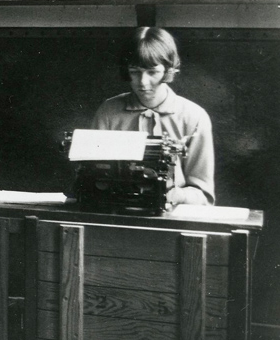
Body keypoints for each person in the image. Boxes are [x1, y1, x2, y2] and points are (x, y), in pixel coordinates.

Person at [92, 26, 214, 206]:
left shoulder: (194, 117)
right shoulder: (108, 112)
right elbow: (95, 176)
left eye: (152, 72)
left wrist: (177, 195)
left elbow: (204, 196)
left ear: (168, 70)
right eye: (135, 72)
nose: (143, 82)